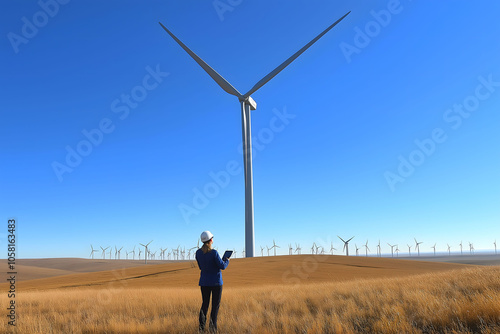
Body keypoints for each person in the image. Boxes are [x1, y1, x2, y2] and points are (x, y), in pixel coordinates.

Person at [195, 230, 229, 333]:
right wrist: (227, 260)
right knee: (215, 307)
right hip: (216, 283)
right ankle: (212, 330)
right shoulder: (214, 253)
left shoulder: (198, 253)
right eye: (212, 239)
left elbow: (201, 267)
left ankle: (201, 328)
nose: (213, 240)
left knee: (204, 305)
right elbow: (222, 266)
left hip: (204, 283)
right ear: (210, 240)